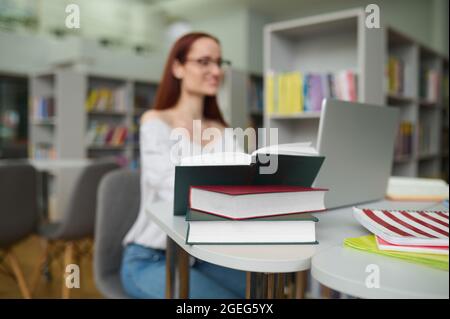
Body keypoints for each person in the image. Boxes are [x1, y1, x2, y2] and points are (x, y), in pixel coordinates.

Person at [121, 32, 246, 299]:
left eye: (219, 62)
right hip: (153, 256)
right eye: (204, 61)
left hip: (207, 253)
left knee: (263, 292)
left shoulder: (224, 131)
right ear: (178, 67)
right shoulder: (155, 122)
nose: (215, 71)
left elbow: (244, 185)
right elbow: (174, 190)